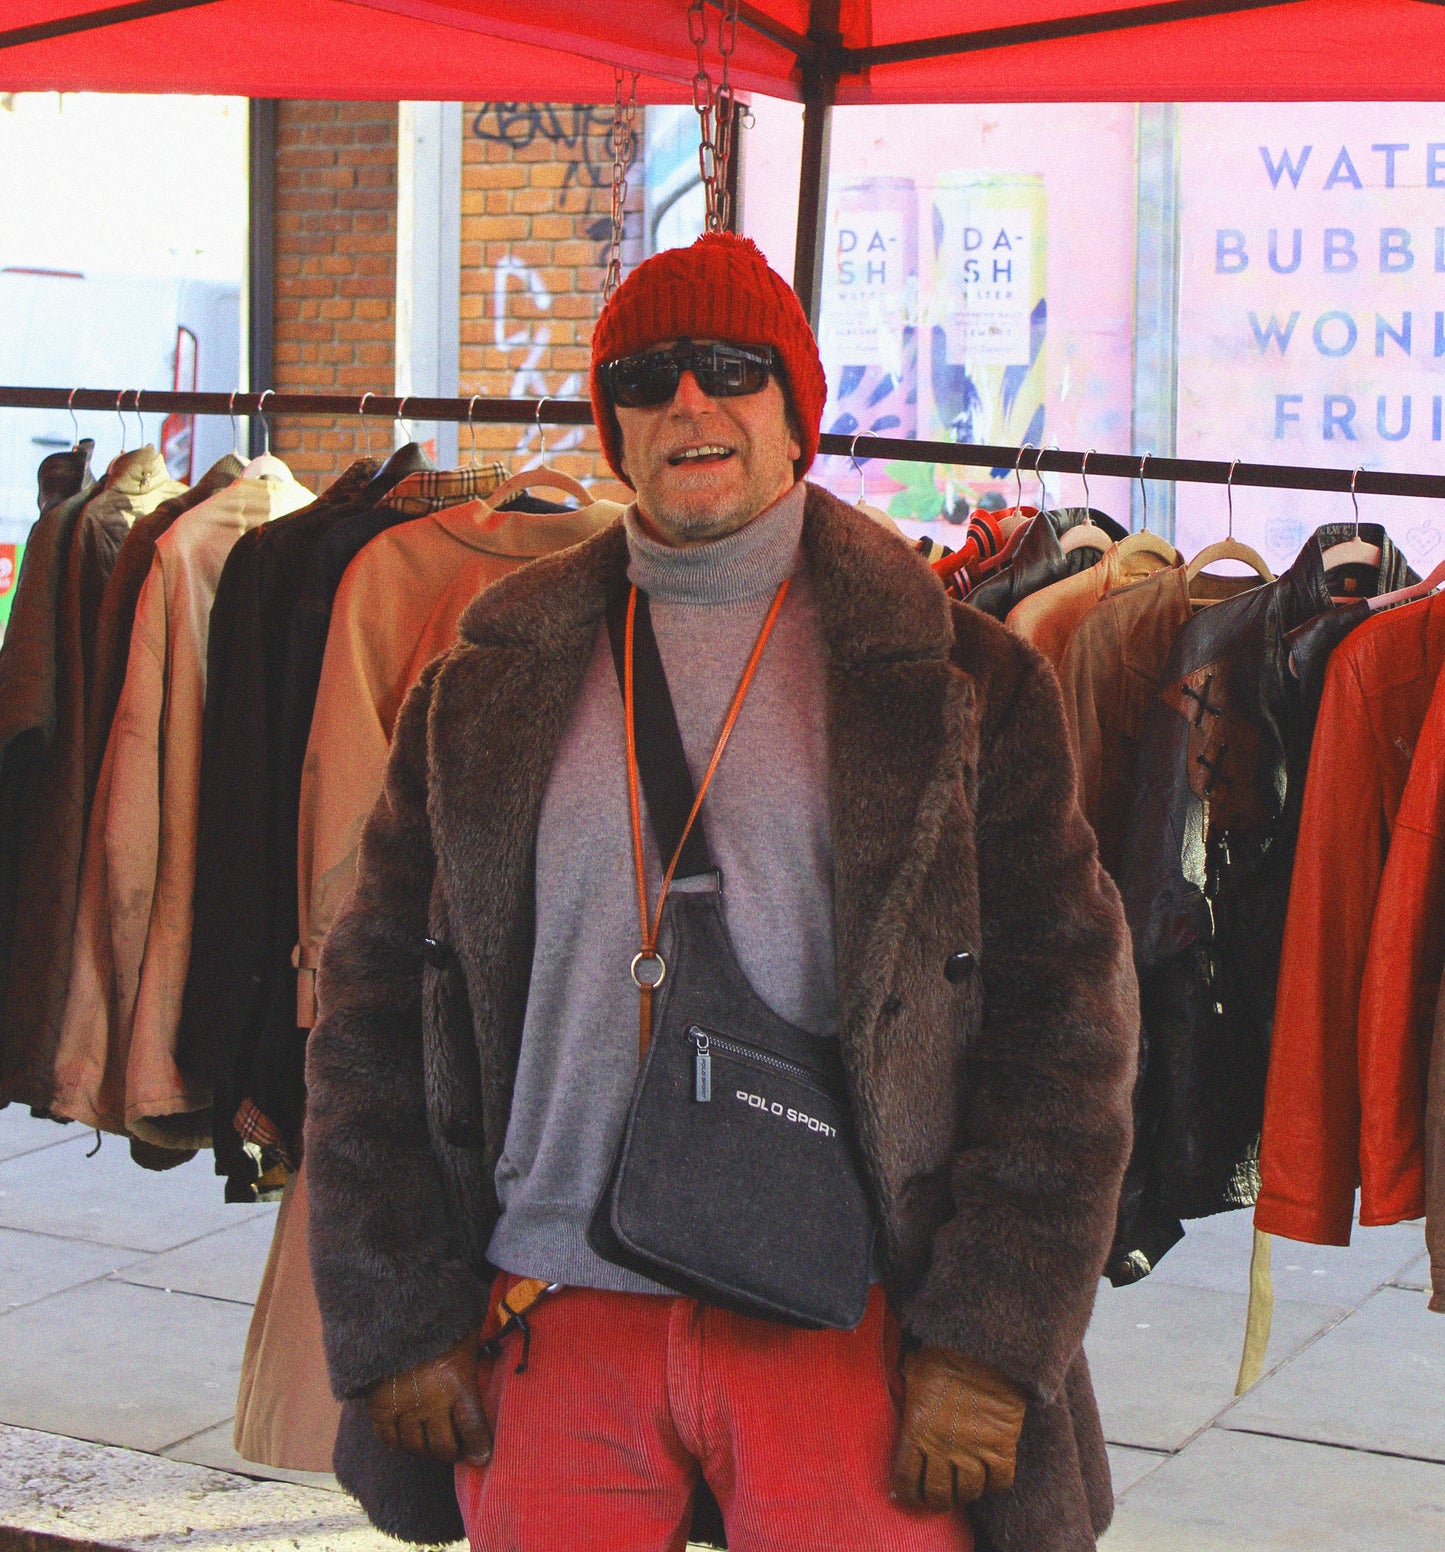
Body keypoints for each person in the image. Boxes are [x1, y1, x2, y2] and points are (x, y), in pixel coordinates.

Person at [305, 232, 1138, 1552]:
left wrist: (987, 1340)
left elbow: (1063, 1030)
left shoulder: (959, 684)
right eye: (644, 377)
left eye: (730, 367)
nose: (688, 403)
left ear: (795, 406)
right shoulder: (486, 679)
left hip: (845, 1325)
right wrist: (395, 1311)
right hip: (544, 1321)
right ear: (611, 424)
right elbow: (367, 1015)